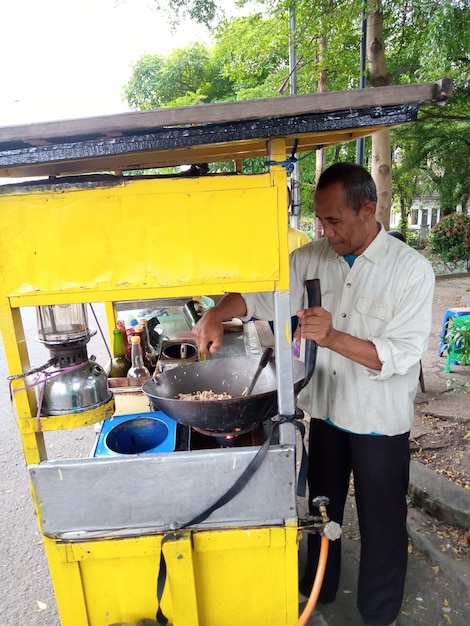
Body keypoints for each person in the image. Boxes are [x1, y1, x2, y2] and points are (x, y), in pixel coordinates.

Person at [192, 162, 435, 626]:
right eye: (320, 220)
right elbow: (260, 295)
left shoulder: (411, 271)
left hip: (378, 419)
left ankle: (378, 612)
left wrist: (334, 337)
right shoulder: (311, 257)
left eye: (334, 220)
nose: (324, 230)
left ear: (369, 208)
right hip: (326, 411)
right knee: (321, 508)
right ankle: (319, 587)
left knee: (382, 520)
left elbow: (401, 355)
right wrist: (218, 313)